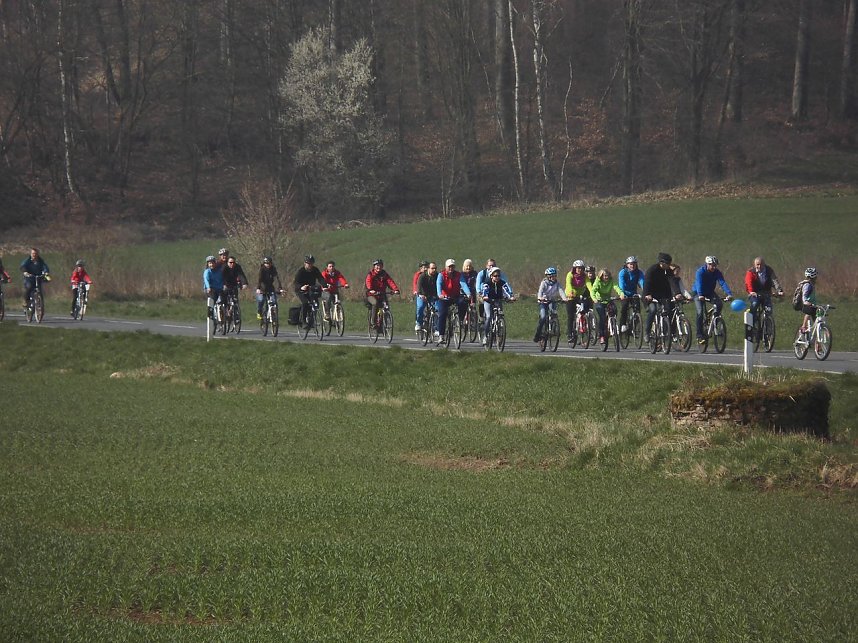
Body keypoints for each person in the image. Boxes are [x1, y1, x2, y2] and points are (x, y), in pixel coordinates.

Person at [693, 255, 733, 344]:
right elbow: (699, 283)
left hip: (710, 292)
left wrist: (729, 294)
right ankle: (699, 335)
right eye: (712, 265)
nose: (714, 267)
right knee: (700, 312)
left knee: (719, 304)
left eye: (715, 265)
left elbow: (722, 282)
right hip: (698, 293)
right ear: (707, 264)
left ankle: (715, 319)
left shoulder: (717, 272)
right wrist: (700, 295)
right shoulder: (700, 271)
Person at [642, 252, 681, 342]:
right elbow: (647, 283)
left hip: (663, 294)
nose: (669, 266)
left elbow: (673, 282)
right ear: (662, 263)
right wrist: (648, 295)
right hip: (650, 295)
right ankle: (647, 333)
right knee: (653, 310)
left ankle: (670, 332)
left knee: (670, 310)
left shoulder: (668, 271)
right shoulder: (652, 270)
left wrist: (677, 293)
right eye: (668, 264)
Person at [435, 258, 472, 342]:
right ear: (446, 267)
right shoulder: (441, 275)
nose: (451, 269)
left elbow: (463, 284)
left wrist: (468, 294)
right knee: (443, 314)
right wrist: (440, 294)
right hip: (444, 297)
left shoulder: (458, 275)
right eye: (449, 267)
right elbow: (439, 285)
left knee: (463, 302)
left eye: (452, 267)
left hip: (455, 296)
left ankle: (460, 320)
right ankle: (441, 335)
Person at [480, 266, 515, 344]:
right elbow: (485, 291)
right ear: (491, 276)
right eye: (495, 276)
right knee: (489, 317)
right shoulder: (487, 283)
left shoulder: (502, 283)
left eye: (498, 276)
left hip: (498, 300)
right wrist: (485, 296)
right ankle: (485, 336)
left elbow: (507, 289)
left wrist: (511, 297)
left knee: (500, 314)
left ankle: (499, 331)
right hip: (488, 301)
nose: (497, 277)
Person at [589, 268, 624, 344]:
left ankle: (612, 324)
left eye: (607, 276)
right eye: (605, 276)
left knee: (614, 310)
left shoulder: (611, 281)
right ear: (601, 276)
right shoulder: (598, 281)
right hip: (599, 301)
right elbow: (593, 291)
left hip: (608, 300)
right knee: (602, 317)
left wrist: (621, 294)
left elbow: (616, 287)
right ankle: (601, 335)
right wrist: (594, 299)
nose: (606, 277)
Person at [744, 256, 784, 322]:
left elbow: (774, 281)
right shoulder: (751, 272)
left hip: (766, 293)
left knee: (768, 309)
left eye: (761, 264)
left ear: (764, 264)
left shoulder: (769, 270)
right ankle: (753, 324)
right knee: (754, 304)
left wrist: (779, 290)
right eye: (757, 264)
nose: (759, 266)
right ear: (754, 265)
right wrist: (751, 292)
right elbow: (749, 283)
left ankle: (768, 326)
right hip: (755, 293)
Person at [534, 266, 568, 342]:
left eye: (555, 276)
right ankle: (538, 334)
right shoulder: (544, 283)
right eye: (552, 276)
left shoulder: (557, 283)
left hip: (552, 300)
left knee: (554, 313)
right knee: (543, 317)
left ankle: (553, 328)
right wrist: (540, 297)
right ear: (548, 276)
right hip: (543, 301)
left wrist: (564, 298)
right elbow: (540, 291)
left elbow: (561, 291)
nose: (554, 277)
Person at [364, 259, 400, 329]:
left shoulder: (384, 274)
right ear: (374, 267)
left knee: (386, 307)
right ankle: (373, 322)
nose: (379, 267)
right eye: (377, 266)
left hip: (382, 294)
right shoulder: (370, 274)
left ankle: (383, 325)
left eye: (380, 265)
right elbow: (368, 282)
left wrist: (395, 289)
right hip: (371, 295)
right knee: (375, 303)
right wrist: (371, 290)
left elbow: (390, 281)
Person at [293, 255, 325, 328]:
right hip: (301, 290)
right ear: (305, 263)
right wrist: (301, 287)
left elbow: (320, 278)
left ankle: (312, 320)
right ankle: (304, 321)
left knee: (315, 303)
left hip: (311, 289)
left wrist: (325, 286)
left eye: (311, 263)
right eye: (308, 263)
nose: (310, 265)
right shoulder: (301, 271)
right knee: (305, 303)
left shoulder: (315, 270)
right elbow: (296, 282)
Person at [565, 259, 591, 342]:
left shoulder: (585, 276)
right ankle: (569, 334)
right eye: (578, 268)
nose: (580, 270)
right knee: (571, 315)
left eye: (581, 268)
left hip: (580, 295)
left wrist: (593, 295)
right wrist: (571, 293)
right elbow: (568, 285)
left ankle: (585, 327)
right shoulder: (570, 275)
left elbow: (589, 285)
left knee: (584, 310)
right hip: (570, 295)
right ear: (574, 268)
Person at [617, 256, 644, 333]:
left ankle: (633, 326)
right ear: (627, 265)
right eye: (630, 264)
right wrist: (622, 293)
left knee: (638, 309)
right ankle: (623, 324)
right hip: (624, 293)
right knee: (624, 307)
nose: (632, 266)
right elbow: (621, 283)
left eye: (634, 264)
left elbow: (642, 282)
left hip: (633, 293)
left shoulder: (639, 272)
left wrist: (645, 291)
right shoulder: (623, 272)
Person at [416, 262, 438, 330]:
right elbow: (418, 286)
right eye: (432, 268)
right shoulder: (422, 276)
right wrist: (420, 294)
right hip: (422, 295)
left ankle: (435, 327)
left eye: (435, 268)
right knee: (420, 307)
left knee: (436, 309)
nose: (434, 270)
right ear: (428, 269)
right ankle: (419, 323)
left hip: (433, 296)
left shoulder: (437, 276)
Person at [798, 267, 818, 335]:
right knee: (808, 312)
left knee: (817, 321)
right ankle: (804, 326)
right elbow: (804, 296)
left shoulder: (812, 285)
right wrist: (806, 302)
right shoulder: (807, 285)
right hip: (807, 305)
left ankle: (819, 337)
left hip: (813, 305)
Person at [412, 260, 429, 330]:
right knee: (420, 307)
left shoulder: (430, 274)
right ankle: (418, 323)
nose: (425, 269)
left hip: (429, 294)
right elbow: (415, 283)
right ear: (420, 268)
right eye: (424, 267)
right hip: (420, 293)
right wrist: (415, 291)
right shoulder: (418, 275)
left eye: (426, 267)